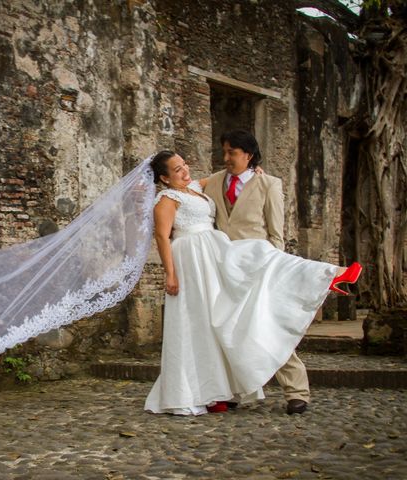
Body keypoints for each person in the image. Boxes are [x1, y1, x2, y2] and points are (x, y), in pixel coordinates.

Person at [143, 149, 361, 417]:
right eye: (177, 169)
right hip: (191, 260)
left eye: (185, 164)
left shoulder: (194, 187)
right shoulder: (166, 199)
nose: (185, 171)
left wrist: (253, 172)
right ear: (164, 178)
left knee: (252, 267)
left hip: (213, 252)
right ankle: (199, 391)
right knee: (198, 322)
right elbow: (163, 237)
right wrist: (170, 274)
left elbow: (219, 176)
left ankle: (329, 274)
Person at [203, 130, 309, 414]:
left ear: (248, 156)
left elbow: (276, 233)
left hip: (258, 267)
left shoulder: (269, 184)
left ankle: (296, 392)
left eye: (232, 153)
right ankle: (236, 391)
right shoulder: (212, 182)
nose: (226, 158)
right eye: (224, 152)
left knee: (269, 326)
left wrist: (273, 268)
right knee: (230, 329)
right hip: (223, 268)